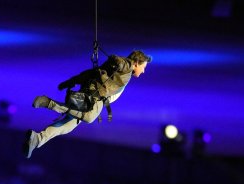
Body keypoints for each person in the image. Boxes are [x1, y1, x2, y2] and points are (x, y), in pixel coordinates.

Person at [23, 50, 152, 158]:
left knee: (66, 126)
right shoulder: (127, 67)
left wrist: (71, 81)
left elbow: (92, 72)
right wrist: (119, 62)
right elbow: (119, 61)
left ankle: (37, 139)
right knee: (89, 117)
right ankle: (49, 103)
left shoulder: (122, 71)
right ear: (136, 63)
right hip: (95, 98)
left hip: (92, 94)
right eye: (144, 67)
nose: (143, 71)